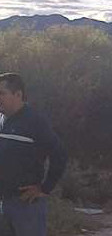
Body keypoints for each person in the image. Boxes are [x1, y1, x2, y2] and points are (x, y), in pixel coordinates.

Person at [0, 73, 67, 236]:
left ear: (18, 94)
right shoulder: (2, 120)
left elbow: (59, 154)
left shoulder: (35, 121)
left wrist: (45, 187)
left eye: (1, 93)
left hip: (26, 206)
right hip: (3, 203)